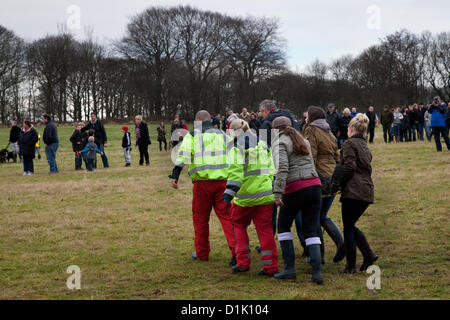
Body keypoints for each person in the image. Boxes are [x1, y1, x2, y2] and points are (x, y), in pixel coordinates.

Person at [169, 110, 236, 264]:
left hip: (202, 184)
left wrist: (175, 175)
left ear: (198, 120)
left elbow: (183, 155)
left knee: (200, 219)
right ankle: (237, 250)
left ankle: (202, 252)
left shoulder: (192, 135)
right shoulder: (224, 135)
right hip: (223, 183)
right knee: (227, 217)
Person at [271, 116, 323, 284]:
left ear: (275, 130)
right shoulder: (303, 140)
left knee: (284, 227)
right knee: (311, 230)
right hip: (314, 186)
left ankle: (289, 269)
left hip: (296, 188)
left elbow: (282, 168)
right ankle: (316, 273)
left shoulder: (279, 143)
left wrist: (277, 193)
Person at [223, 119, 278, 276]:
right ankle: (270, 267)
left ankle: (243, 263)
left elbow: (235, 174)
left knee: (239, 227)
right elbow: (271, 169)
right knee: (265, 230)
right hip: (266, 195)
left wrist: (228, 195)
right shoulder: (263, 144)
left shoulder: (236, 147)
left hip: (245, 197)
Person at [301, 106, 345, 264]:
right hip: (333, 176)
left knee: (314, 217)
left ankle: (319, 255)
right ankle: (341, 243)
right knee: (322, 215)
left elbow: (310, 155)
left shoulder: (311, 129)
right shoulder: (329, 131)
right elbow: (337, 155)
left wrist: (307, 175)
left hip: (319, 176)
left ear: (311, 117)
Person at [339, 113, 377, 274]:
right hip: (366, 191)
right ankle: (368, 255)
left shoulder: (349, 143)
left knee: (348, 228)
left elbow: (349, 167)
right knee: (350, 226)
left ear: (352, 128)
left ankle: (351, 266)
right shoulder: (364, 145)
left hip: (353, 191)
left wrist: (338, 182)